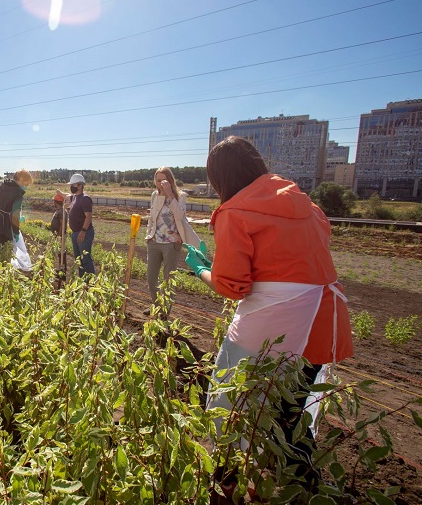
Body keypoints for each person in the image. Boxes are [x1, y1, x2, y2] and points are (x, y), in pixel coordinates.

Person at [185, 136, 353, 495]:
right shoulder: (307, 205)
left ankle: (229, 480)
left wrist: (201, 269)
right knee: (288, 417)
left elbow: (233, 286)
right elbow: (291, 266)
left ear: (220, 179)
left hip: (273, 327)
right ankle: (308, 489)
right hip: (321, 323)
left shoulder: (235, 211)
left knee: (232, 403)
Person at [144, 166, 200, 314]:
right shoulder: (154, 195)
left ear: (170, 180)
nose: (160, 183)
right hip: (154, 242)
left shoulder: (180, 196)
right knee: (151, 279)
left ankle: (164, 314)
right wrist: (148, 235)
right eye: (158, 180)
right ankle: (157, 307)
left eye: (163, 180)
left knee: (168, 281)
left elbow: (180, 216)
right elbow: (151, 218)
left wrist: (169, 195)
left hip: (171, 243)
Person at [0, 170, 32, 259]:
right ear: (21, 180)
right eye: (26, 184)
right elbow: (15, 216)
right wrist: (16, 232)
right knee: (1, 258)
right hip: (2, 230)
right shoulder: (17, 193)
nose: (26, 187)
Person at [58, 173, 95, 277]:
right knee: (79, 260)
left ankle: (90, 283)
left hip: (84, 233)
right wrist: (59, 193)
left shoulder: (85, 199)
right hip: (75, 233)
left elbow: (88, 216)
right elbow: (67, 196)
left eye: (73, 185)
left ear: (80, 186)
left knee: (85, 259)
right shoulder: (75, 197)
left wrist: (83, 231)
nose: (71, 187)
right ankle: (82, 281)